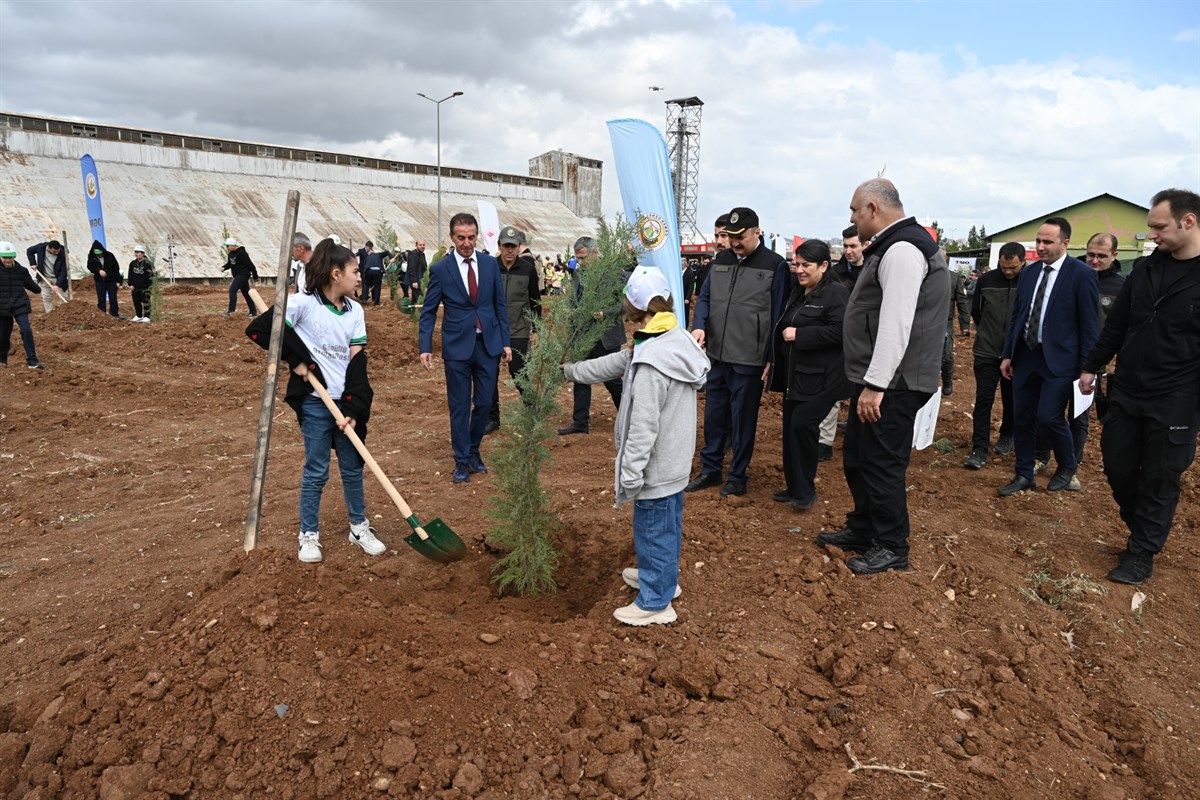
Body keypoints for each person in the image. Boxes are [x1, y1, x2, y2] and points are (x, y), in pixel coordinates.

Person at [816, 179, 949, 574]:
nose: (853, 219)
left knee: (882, 464)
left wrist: (876, 385)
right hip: (881, 379)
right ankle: (864, 527)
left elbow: (896, 323)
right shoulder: (895, 244)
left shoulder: (904, 250)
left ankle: (892, 545)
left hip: (895, 382)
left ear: (874, 208)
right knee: (859, 457)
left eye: (855, 211)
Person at [562, 267, 709, 625]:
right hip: (675, 462)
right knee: (667, 524)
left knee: (652, 527)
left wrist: (630, 475)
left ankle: (656, 603)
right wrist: (570, 370)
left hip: (654, 466)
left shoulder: (651, 363)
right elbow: (614, 362)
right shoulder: (669, 339)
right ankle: (661, 579)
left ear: (633, 307)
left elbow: (643, 428)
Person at [1080, 188, 1200, 585]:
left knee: (1161, 475)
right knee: (1116, 465)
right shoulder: (1146, 269)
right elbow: (1117, 324)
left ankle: (1142, 550)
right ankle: (1143, 527)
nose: (1152, 235)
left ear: (1188, 222)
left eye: (1159, 227)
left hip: (1178, 396)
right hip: (1129, 387)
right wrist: (1092, 365)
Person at [245, 238, 386, 563]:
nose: (360, 276)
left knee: (352, 466)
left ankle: (358, 527)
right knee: (317, 469)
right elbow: (259, 330)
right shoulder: (302, 304)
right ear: (336, 274)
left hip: (345, 401)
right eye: (355, 270)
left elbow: (357, 361)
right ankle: (308, 535)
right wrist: (295, 360)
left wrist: (353, 408)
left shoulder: (355, 312)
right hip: (313, 401)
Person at [686, 207, 790, 497]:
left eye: (740, 237)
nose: (734, 242)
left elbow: (779, 313)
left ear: (757, 232)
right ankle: (710, 470)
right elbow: (704, 297)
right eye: (730, 236)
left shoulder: (775, 266)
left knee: (743, 421)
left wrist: (771, 356)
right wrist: (700, 325)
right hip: (717, 355)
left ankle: (738, 476)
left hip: (749, 359)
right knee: (714, 416)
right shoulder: (721, 261)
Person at [998, 217, 1099, 496]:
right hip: (1026, 355)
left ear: (1065, 243)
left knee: (1049, 416)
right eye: (1038, 241)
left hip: (1061, 360)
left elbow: (1090, 326)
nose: (1040, 247)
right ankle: (1024, 473)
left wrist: (1088, 367)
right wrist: (1008, 354)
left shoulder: (1082, 274)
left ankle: (1067, 467)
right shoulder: (1029, 273)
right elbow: (1019, 316)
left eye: (1047, 242)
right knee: (1022, 417)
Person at [418, 213, 512, 483]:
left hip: (488, 346)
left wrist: (505, 341)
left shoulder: (489, 265)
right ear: (452, 238)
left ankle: (473, 451)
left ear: (477, 236)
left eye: (471, 237)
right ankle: (461, 459)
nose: (467, 243)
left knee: (483, 403)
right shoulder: (440, 270)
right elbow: (428, 311)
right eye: (461, 238)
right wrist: (425, 346)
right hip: (457, 348)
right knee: (459, 406)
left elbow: (499, 306)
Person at [768, 240, 850, 511]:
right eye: (796, 264)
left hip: (823, 379)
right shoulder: (799, 292)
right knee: (792, 430)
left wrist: (800, 335)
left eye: (806, 265)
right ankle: (794, 486)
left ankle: (806, 491)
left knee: (803, 427)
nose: (799, 270)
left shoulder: (835, 293)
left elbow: (841, 332)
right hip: (796, 378)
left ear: (824, 266)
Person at [963, 242, 1026, 469]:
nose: (1008, 271)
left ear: (1023, 262)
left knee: (1012, 400)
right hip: (986, 351)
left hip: (1017, 354)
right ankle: (979, 449)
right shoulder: (986, 281)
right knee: (983, 400)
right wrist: (988, 333)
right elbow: (976, 311)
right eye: (1004, 267)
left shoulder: (1029, 281)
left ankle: (1007, 434)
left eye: (1013, 268)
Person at [558, 236, 626, 436]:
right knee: (580, 377)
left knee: (612, 379)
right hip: (583, 335)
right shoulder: (578, 275)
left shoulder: (614, 273)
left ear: (595, 253)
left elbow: (625, 303)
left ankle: (629, 418)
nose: (581, 263)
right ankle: (580, 422)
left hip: (606, 336)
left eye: (584, 258)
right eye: (578, 259)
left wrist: (605, 312)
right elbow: (574, 301)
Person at [487, 226, 542, 434]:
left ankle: (531, 412)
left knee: (518, 373)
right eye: (506, 246)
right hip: (492, 331)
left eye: (513, 246)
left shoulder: (527, 268)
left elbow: (535, 300)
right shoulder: (490, 267)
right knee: (489, 376)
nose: (510, 250)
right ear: (499, 246)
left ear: (519, 248)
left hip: (518, 329)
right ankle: (493, 419)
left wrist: (536, 328)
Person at [0, 241, 45, 369]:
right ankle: (2, 360)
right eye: (5, 257)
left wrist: (38, 287)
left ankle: (32, 360)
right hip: (2, 307)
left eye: (10, 257)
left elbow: (33, 287)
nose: (8, 260)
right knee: (3, 334)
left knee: (26, 330)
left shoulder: (21, 271)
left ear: (14, 256)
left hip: (20, 305)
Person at [941, 255, 971, 396]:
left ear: (945, 258)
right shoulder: (922, 274)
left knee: (946, 355)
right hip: (925, 321)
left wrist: (964, 323)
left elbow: (962, 301)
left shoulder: (954, 278)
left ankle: (947, 381)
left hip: (945, 322)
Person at [26, 239, 69, 313]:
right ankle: (49, 314)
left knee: (64, 296)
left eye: (58, 251)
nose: (57, 253)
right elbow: (29, 251)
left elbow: (63, 271)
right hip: (44, 277)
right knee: (46, 297)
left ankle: (65, 313)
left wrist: (58, 285)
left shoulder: (63, 253)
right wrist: (32, 263)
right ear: (49, 248)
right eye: (54, 251)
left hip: (58, 277)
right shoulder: (41, 248)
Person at [221, 237, 260, 318]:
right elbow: (230, 264)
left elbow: (250, 265)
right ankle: (253, 311)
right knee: (246, 293)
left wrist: (255, 276)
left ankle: (231, 311)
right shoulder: (230, 254)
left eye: (228, 246)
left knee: (232, 290)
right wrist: (224, 267)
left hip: (243, 275)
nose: (227, 247)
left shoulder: (242, 253)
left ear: (233, 245)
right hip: (238, 275)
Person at [87, 240, 122, 318]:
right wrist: (98, 270)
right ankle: (102, 316)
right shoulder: (91, 256)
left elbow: (116, 268)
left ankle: (114, 314)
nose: (99, 255)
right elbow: (90, 267)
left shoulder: (110, 256)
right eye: (97, 254)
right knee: (101, 299)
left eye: (100, 253)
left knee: (113, 298)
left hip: (111, 280)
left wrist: (118, 281)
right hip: (99, 281)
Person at [831, 224, 864, 290]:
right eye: (845, 246)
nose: (848, 251)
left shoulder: (875, 271)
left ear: (864, 245)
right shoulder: (833, 273)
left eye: (853, 246)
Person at [127, 245, 154, 323]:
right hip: (135, 287)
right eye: (136, 252)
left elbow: (152, 275)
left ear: (143, 253)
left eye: (138, 252)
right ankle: (138, 315)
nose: (136, 254)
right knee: (136, 301)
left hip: (145, 286)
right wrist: (130, 284)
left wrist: (151, 285)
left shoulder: (148, 263)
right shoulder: (132, 263)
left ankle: (147, 316)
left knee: (146, 301)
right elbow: (130, 274)